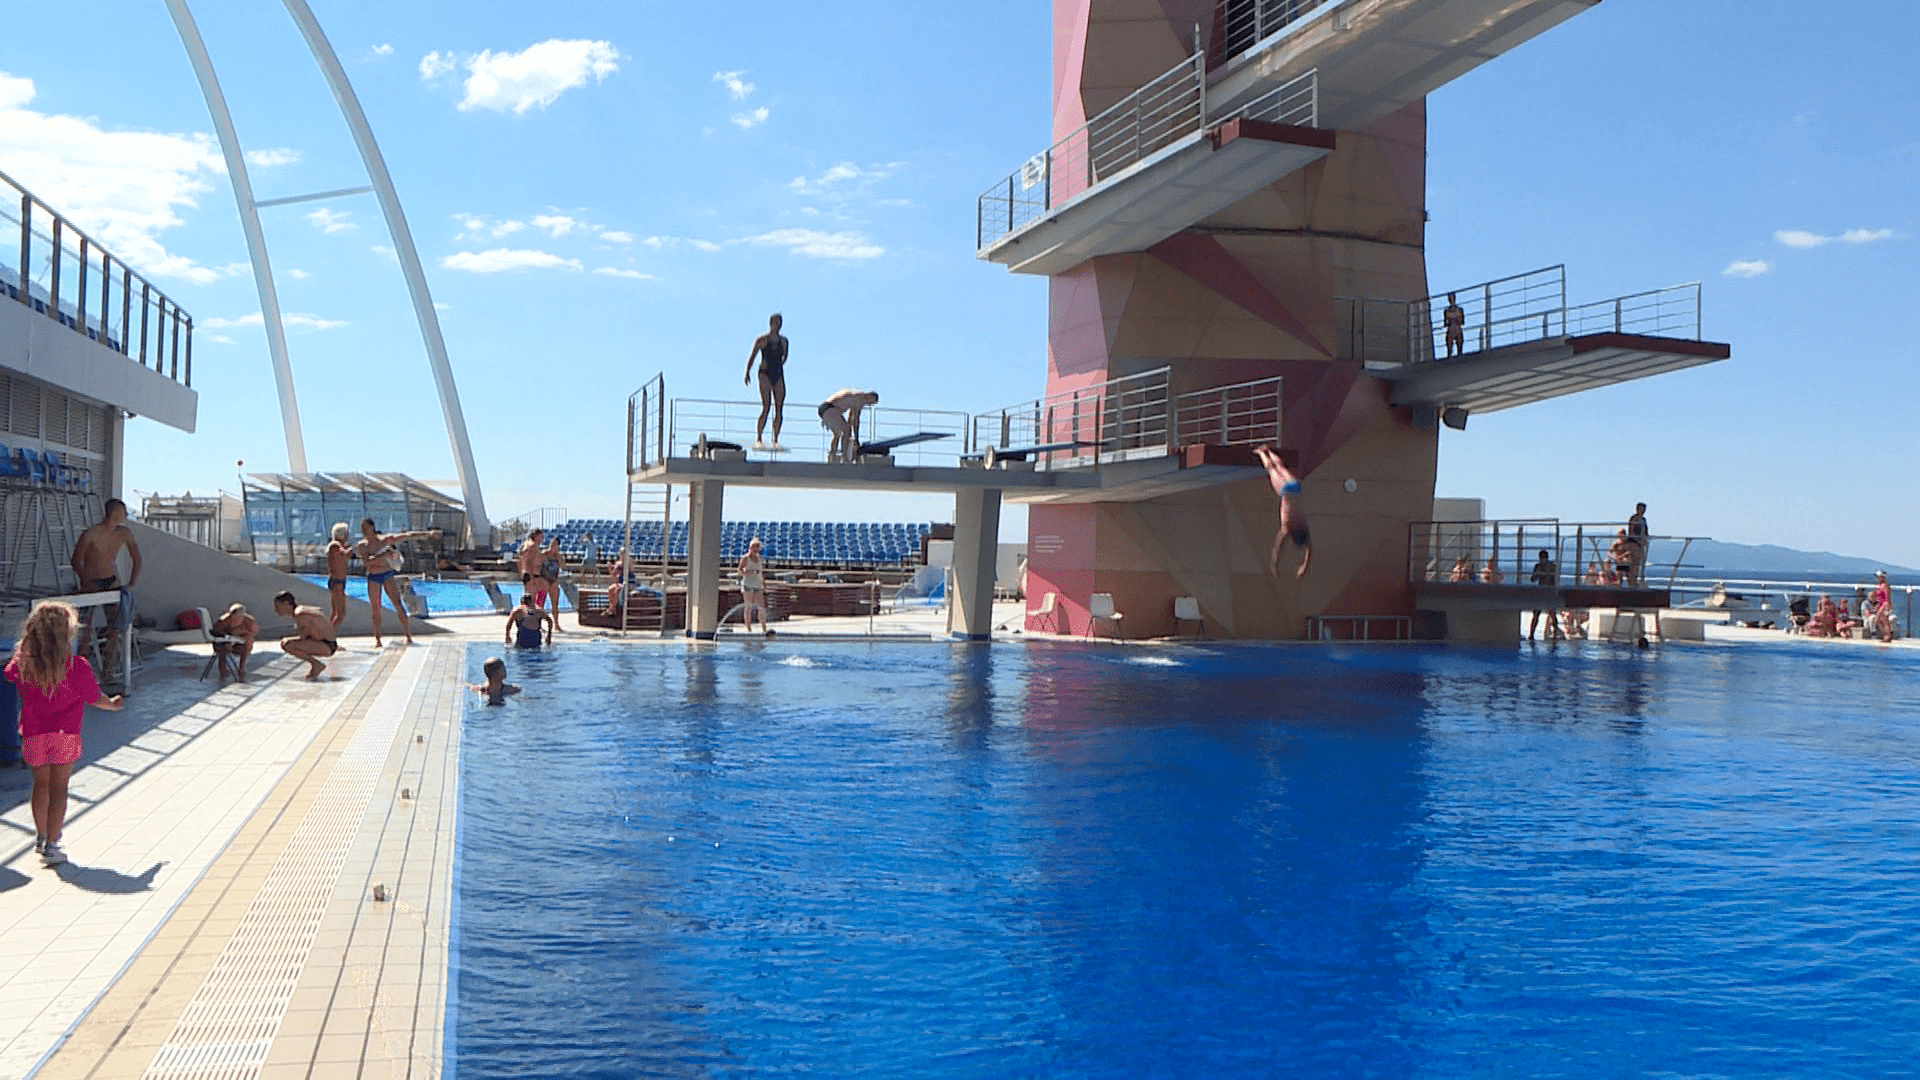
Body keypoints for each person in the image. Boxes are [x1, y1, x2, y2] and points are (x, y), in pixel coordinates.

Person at [5, 600, 124, 866]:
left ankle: (40, 836)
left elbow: (10, 673)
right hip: (65, 734)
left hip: (34, 733)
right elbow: (95, 697)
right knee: (59, 788)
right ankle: (52, 842)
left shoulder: (23, 664)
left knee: (41, 786)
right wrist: (113, 705)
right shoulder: (76, 666)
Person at [70, 497, 143, 674]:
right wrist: (87, 583)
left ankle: (107, 671)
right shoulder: (91, 534)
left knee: (115, 627)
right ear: (114, 513)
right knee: (83, 630)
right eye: (123, 512)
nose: (125, 516)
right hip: (91, 582)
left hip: (111, 581)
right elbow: (76, 561)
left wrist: (132, 582)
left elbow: (137, 557)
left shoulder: (124, 533)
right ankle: (82, 671)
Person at [357, 519, 440, 647]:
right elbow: (367, 563)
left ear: (372, 527)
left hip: (387, 574)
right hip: (374, 576)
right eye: (362, 528)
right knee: (375, 608)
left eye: (365, 527)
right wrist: (383, 556)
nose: (363, 530)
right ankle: (378, 640)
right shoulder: (362, 545)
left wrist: (427, 534)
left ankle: (408, 636)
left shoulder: (384, 540)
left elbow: (407, 536)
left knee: (398, 604)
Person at [1253, 445, 1311, 579]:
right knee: (1271, 469)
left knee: (1280, 467)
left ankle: (1269, 451)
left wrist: (1305, 566)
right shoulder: (1287, 528)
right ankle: (1261, 452)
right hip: (1285, 490)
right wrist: (1275, 566)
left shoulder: (1304, 527)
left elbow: (1310, 551)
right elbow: (1277, 549)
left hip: (1296, 487)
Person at [744, 313, 790, 450]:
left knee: (779, 407)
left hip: (777, 372)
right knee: (766, 406)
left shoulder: (784, 341)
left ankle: (775, 438)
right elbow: (753, 355)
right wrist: (747, 372)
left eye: (779, 322)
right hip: (765, 372)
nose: (777, 325)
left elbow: (785, 357)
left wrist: (778, 366)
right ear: (771, 323)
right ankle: (759, 437)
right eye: (775, 322)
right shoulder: (762, 340)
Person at [275, 590, 340, 680]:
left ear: (286, 604)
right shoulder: (302, 609)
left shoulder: (300, 614)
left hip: (327, 645)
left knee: (287, 645)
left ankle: (316, 664)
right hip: (329, 643)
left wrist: (288, 639)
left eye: (278, 606)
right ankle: (316, 665)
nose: (276, 610)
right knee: (288, 642)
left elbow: (303, 637)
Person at [818, 388, 880, 463]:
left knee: (837, 434)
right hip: (830, 408)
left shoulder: (855, 395)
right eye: (871, 402)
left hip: (824, 408)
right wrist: (856, 439)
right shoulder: (860, 398)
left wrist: (851, 434)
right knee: (846, 431)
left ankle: (832, 456)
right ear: (870, 396)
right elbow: (856, 421)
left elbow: (850, 418)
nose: (869, 404)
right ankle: (844, 457)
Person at [211, 602, 259, 681]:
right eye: (235, 618)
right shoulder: (223, 621)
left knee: (248, 640)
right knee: (223, 646)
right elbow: (215, 633)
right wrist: (228, 635)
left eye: (240, 617)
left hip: (240, 644)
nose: (237, 620)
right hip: (224, 644)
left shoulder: (249, 620)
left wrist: (243, 633)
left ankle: (242, 667)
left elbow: (255, 632)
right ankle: (222, 667)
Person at [738, 537, 769, 635]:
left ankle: (764, 627)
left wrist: (763, 583)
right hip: (748, 584)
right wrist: (746, 572)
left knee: (761, 607)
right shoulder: (745, 558)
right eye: (753, 548)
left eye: (757, 548)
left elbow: (761, 572)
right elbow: (740, 570)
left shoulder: (759, 558)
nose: (755, 550)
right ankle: (748, 628)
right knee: (748, 607)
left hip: (757, 584)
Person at [325, 522, 353, 628]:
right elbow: (345, 554)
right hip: (337, 581)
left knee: (335, 613)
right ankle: (329, 635)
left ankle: (328, 634)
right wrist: (354, 548)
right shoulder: (335, 545)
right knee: (341, 614)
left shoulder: (341, 545)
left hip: (339, 580)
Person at [1527, 549, 1559, 641]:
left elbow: (1533, 579)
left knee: (1548, 613)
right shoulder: (1542, 566)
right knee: (1541, 613)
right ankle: (1532, 634)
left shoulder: (1547, 566)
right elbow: (1533, 579)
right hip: (1545, 592)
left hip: (1546, 592)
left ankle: (1533, 634)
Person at [1866, 570, 1896, 642]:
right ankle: (1888, 635)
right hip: (1881, 605)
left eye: (1878, 576)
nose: (1877, 578)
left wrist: (1886, 606)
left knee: (1884, 621)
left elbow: (1887, 596)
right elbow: (1880, 597)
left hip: (1884, 605)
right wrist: (1878, 605)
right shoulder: (1880, 585)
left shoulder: (1885, 585)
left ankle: (1888, 635)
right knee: (1882, 621)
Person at [1626, 502, 1650, 586]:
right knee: (1634, 562)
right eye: (1641, 509)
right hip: (1634, 543)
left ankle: (1636, 579)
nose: (1642, 511)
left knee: (1639, 562)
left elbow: (1645, 531)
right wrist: (1637, 541)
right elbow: (1631, 531)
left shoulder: (1643, 519)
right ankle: (1632, 582)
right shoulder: (1634, 518)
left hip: (1641, 543)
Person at [1442, 292, 1465, 358]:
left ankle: (1459, 352)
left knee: (1458, 333)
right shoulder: (1446, 311)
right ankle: (1449, 352)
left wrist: (1456, 319)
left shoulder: (1459, 310)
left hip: (1457, 328)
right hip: (1451, 329)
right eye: (1450, 299)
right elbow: (1445, 323)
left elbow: (1462, 321)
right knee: (1450, 334)